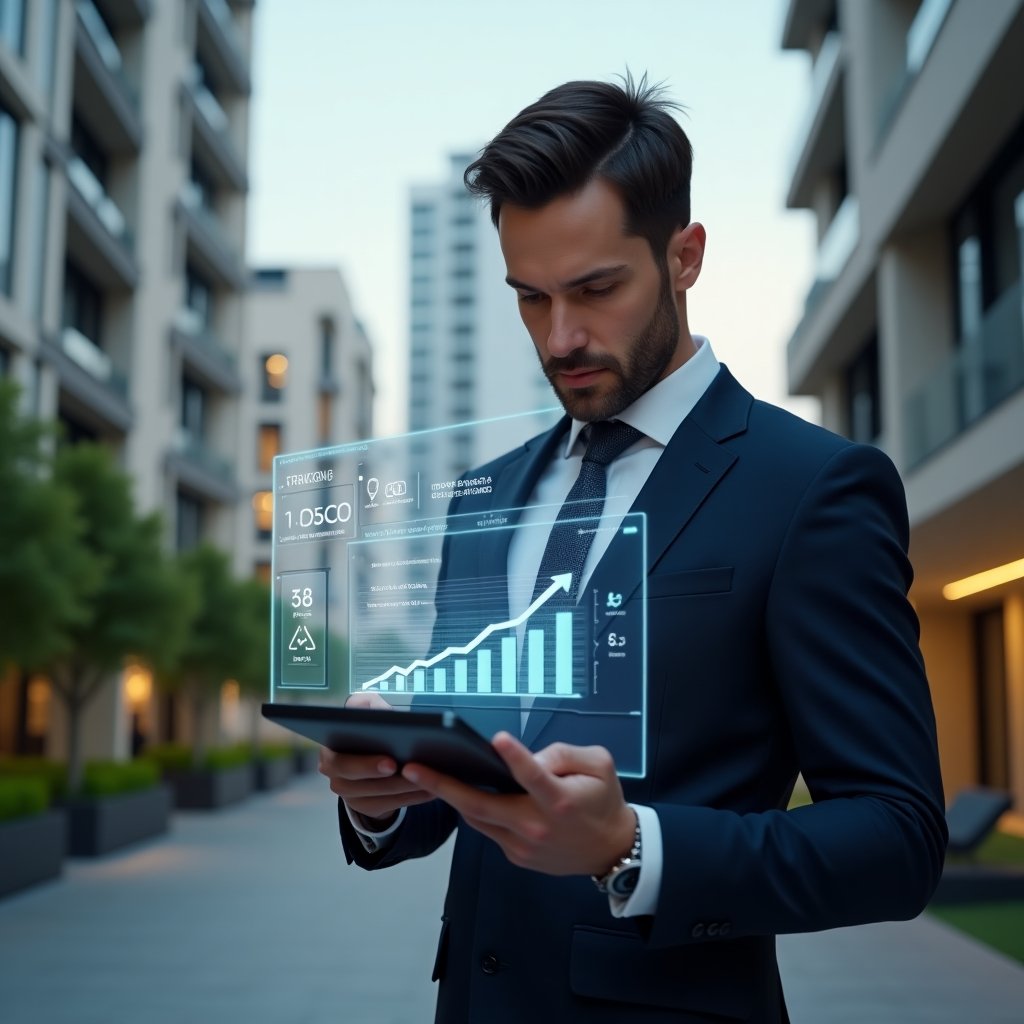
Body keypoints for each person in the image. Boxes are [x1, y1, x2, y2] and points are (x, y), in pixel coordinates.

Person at [319, 75, 947, 1023]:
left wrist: (632, 848)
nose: (560, 336)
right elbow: (472, 786)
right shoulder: (485, 495)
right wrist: (383, 796)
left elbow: (898, 841)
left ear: (685, 256)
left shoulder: (813, 487)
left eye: (596, 288)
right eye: (529, 298)